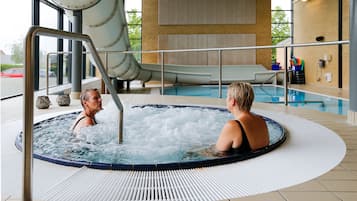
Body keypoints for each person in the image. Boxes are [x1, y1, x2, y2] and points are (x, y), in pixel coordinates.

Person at [215, 82, 269, 153]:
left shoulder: (233, 126)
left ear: (233, 101)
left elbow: (217, 153)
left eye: (227, 97)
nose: (226, 99)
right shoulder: (261, 120)